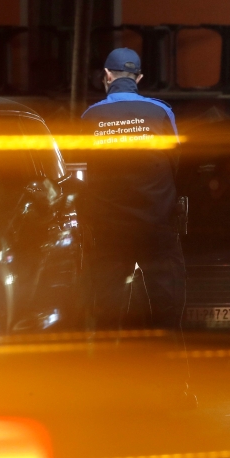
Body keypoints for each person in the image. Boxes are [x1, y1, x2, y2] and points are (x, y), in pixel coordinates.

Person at [79, 47, 185, 333]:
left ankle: (112, 369)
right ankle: (168, 365)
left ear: (107, 75)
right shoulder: (160, 111)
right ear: (138, 78)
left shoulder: (90, 116)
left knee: (107, 309)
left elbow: (86, 168)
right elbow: (175, 163)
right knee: (167, 305)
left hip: (110, 229)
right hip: (156, 224)